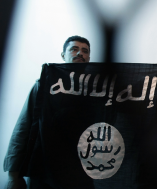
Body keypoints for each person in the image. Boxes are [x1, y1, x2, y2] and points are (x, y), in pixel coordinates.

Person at [4, 35, 91, 189]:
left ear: (89, 58)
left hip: (81, 172)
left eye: (85, 51)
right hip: (43, 171)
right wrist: (13, 174)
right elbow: (23, 127)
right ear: (63, 56)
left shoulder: (97, 92)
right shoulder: (45, 85)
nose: (80, 54)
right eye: (74, 49)